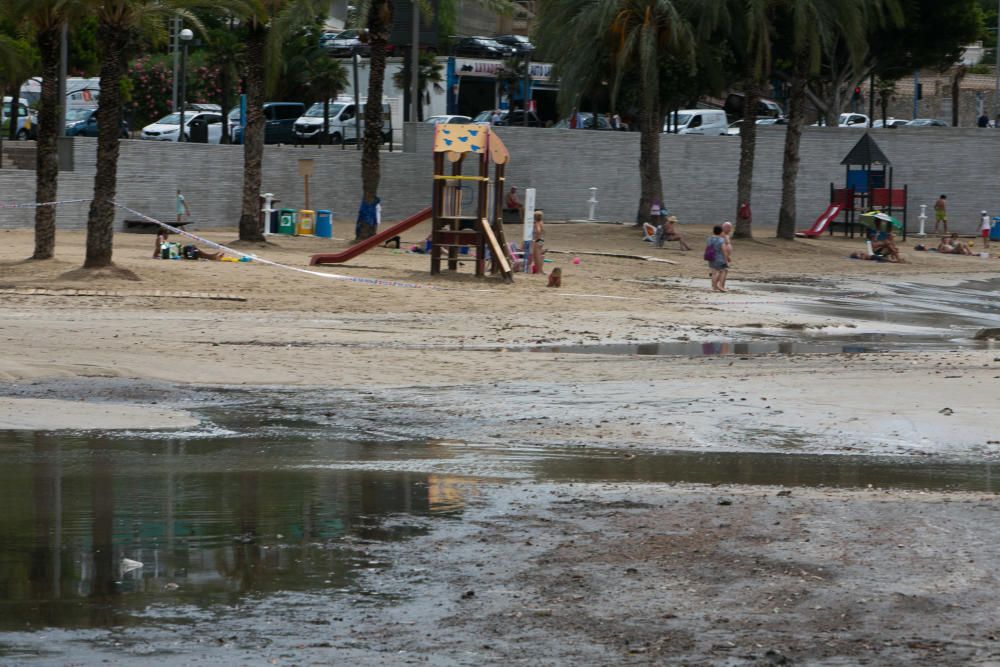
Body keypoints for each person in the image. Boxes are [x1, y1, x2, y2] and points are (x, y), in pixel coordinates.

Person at [705, 225, 731, 292]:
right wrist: (726, 260)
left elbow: (707, 247)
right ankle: (721, 286)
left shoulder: (709, 239)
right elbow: (724, 250)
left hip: (711, 257)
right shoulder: (721, 240)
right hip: (719, 258)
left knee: (714, 273)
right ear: (721, 232)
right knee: (723, 271)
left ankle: (714, 287)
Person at [531, 210, 545, 275]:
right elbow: (542, 231)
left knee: (537, 257)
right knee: (540, 255)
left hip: (538, 240)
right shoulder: (542, 222)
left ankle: (538, 271)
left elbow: (538, 231)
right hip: (542, 240)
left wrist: (536, 239)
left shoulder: (537, 223)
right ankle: (541, 270)